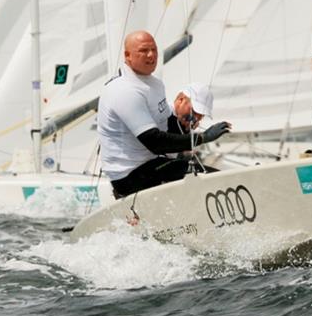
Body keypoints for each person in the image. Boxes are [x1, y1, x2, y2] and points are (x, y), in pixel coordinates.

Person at [97, 31, 230, 199]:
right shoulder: (124, 90)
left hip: (150, 165)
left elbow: (166, 122)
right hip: (128, 176)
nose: (151, 55)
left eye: (154, 49)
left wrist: (183, 125)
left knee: (201, 173)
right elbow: (155, 142)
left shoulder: (155, 84)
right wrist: (202, 138)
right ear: (128, 55)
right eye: (144, 50)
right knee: (202, 176)